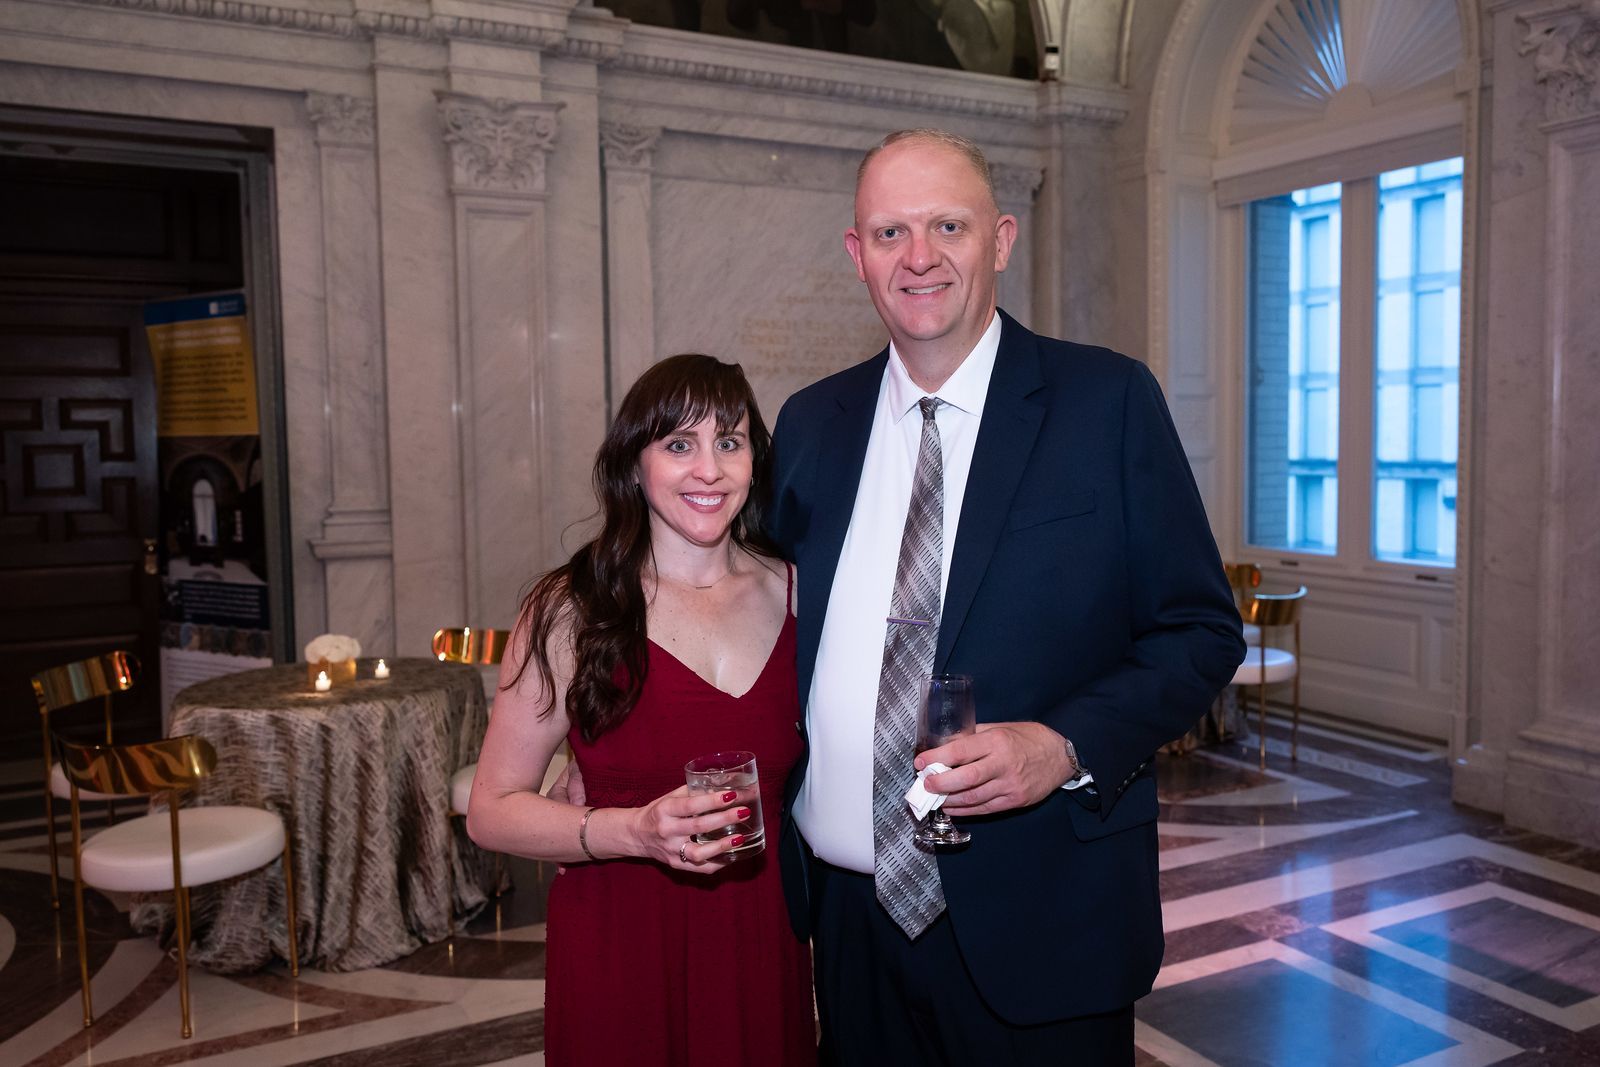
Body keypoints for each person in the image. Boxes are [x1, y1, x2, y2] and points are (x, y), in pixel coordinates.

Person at [768, 129, 1246, 1065]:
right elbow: (763, 622)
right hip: (850, 924)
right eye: (890, 231)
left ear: (1002, 238)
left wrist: (1062, 744)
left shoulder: (1105, 400)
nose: (920, 256)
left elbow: (1199, 630)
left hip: (1046, 918)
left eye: (949, 224)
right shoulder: (811, 424)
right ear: (855, 253)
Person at [467, 354, 816, 1067]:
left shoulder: (798, 592)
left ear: (756, 459)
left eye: (730, 440)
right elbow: (492, 807)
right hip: (620, 942)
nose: (709, 469)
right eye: (679, 444)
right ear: (635, 463)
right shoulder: (571, 609)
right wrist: (632, 829)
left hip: (760, 936)